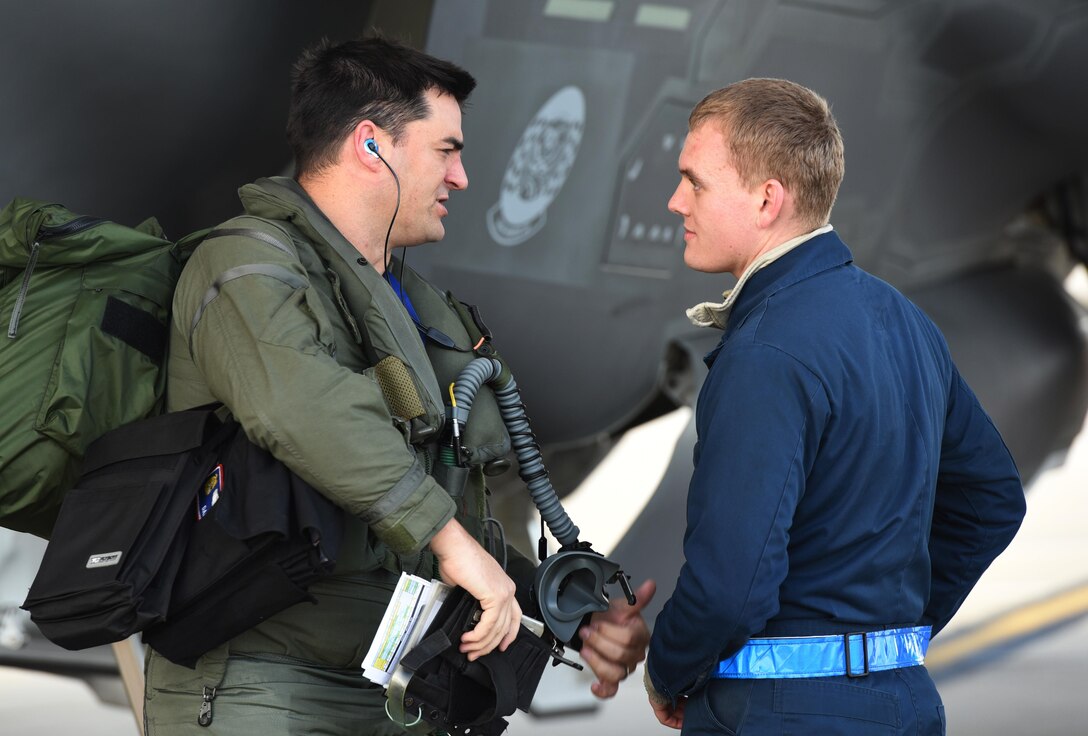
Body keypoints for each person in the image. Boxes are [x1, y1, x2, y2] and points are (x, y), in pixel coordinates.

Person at [145, 36, 653, 735]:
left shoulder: (413, 309)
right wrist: (451, 542)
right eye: (446, 150)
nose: (463, 177)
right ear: (370, 145)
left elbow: (436, 506)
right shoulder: (242, 268)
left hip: (390, 692)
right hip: (261, 689)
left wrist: (569, 607)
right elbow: (299, 407)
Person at [644, 78, 1026, 734]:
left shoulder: (765, 349)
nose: (676, 201)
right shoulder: (903, 321)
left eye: (695, 182)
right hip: (904, 704)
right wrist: (877, 647)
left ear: (767, 200)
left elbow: (729, 590)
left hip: (779, 715)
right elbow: (991, 499)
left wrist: (667, 667)